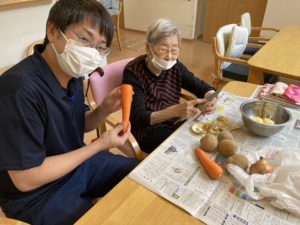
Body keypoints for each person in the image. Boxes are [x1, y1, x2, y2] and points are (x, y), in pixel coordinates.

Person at [0, 0, 139, 224]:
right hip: (37, 197)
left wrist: (103, 109)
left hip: (76, 166)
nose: (91, 53)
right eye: (84, 39)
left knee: (139, 176)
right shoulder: (18, 90)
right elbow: (26, 179)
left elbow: (79, 124)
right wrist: (100, 144)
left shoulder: (72, 75)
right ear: (53, 31)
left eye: (100, 47)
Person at [123, 18, 217, 154]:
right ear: (148, 48)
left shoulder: (175, 66)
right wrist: (174, 111)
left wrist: (210, 96)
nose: (169, 57)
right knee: (185, 148)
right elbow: (138, 118)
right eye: (163, 49)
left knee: (204, 137)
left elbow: (200, 86)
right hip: (147, 130)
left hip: (173, 121)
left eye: (174, 50)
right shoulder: (133, 72)